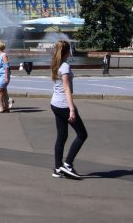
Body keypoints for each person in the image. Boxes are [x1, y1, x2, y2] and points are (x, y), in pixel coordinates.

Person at [50, 39, 88, 179]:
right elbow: (66, 89)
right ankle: (68, 164)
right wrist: (72, 109)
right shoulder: (65, 66)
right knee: (82, 134)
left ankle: (58, 168)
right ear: (67, 51)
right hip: (64, 105)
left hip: (55, 103)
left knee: (62, 136)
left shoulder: (55, 63)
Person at [0, 41, 14, 112]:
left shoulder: (4, 55)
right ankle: (6, 107)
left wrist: (6, 77)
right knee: (3, 91)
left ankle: (1, 107)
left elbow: (6, 67)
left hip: (4, 76)